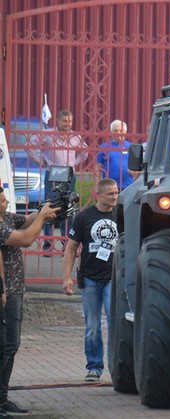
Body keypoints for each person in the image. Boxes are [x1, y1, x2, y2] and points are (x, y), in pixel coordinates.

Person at [0, 187, 59, 416]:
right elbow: (25, 238)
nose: (6, 202)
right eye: (3, 200)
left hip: (15, 290)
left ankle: (3, 398)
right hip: (5, 292)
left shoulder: (5, 217)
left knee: (11, 346)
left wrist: (45, 208)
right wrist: (43, 217)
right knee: (5, 347)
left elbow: (26, 221)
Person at [62, 178, 119, 382]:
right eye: (110, 194)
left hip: (113, 276)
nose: (114, 197)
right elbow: (71, 248)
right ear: (99, 195)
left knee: (115, 323)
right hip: (90, 279)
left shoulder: (121, 215)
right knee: (92, 325)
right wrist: (67, 277)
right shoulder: (83, 217)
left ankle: (117, 368)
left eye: (116, 193)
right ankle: (94, 367)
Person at [27, 109, 88, 251]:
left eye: (70, 121)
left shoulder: (75, 137)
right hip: (52, 175)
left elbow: (85, 152)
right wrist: (41, 161)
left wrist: (74, 163)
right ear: (58, 121)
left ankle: (67, 244)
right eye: (65, 121)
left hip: (68, 176)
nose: (67, 124)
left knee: (67, 208)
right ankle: (48, 245)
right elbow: (29, 146)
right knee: (49, 207)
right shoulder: (48, 135)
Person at [96, 120, 139, 190]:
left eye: (121, 130)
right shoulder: (104, 147)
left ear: (125, 132)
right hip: (109, 187)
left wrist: (134, 171)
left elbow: (137, 168)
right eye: (115, 131)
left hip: (128, 186)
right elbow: (97, 168)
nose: (118, 133)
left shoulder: (131, 147)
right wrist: (96, 187)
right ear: (111, 132)